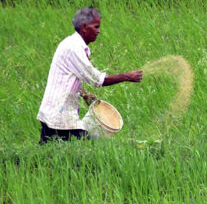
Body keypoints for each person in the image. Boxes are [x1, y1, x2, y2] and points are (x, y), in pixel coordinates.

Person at [37, 7, 142, 143]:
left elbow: (67, 78)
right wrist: (127, 76)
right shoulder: (74, 48)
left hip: (57, 112)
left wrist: (83, 93)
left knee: (51, 151)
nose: (99, 31)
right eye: (96, 27)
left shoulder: (76, 45)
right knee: (83, 146)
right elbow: (97, 79)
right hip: (60, 115)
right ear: (85, 27)